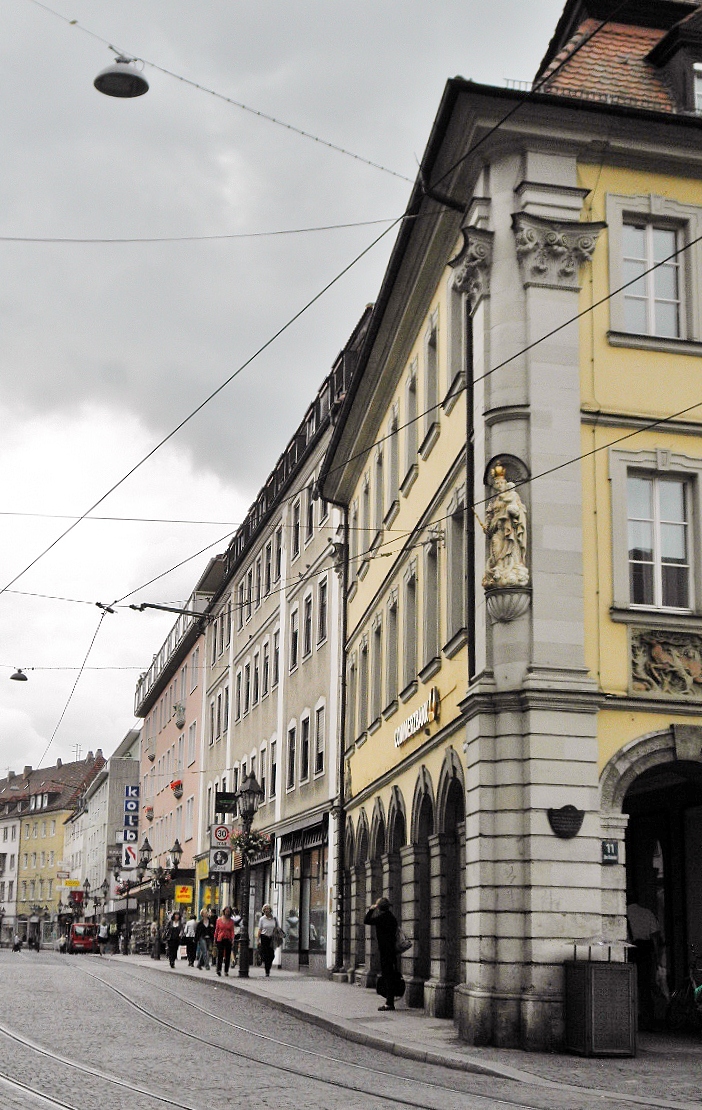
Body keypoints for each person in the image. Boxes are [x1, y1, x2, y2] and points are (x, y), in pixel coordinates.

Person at [627, 900, 662, 1031]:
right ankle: (648, 1019)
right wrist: (657, 958)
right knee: (645, 987)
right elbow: (655, 936)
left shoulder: (623, 914)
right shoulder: (647, 913)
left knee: (629, 985)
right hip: (645, 952)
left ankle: (632, 1018)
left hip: (630, 951)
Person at [365, 897, 399, 1011]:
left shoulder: (381, 918)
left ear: (379, 908)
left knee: (388, 976)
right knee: (391, 976)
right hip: (392, 951)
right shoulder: (392, 918)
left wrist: (371, 909)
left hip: (385, 951)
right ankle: (390, 1000)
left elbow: (366, 920)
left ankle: (389, 1003)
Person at [258, 904, 278, 977]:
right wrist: (258, 939)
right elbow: (260, 929)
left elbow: (276, 927)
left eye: (268, 909)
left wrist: (275, 934)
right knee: (266, 954)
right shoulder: (262, 919)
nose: (266, 910)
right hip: (264, 937)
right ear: (263, 910)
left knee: (272, 955)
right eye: (265, 909)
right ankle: (267, 971)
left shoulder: (274, 918)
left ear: (270, 910)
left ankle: (268, 966)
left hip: (272, 938)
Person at [214, 906, 235, 976]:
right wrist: (215, 938)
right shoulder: (219, 920)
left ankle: (226, 970)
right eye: (226, 911)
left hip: (228, 939)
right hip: (220, 939)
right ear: (224, 911)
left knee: (227, 955)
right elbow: (217, 930)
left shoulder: (231, 921)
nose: (227, 912)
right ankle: (218, 969)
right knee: (220, 954)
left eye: (229, 911)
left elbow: (232, 931)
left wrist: (232, 939)